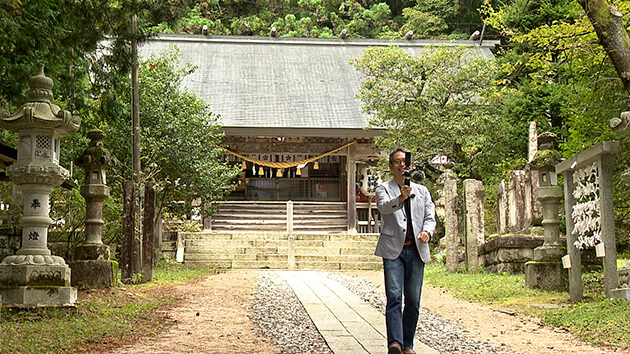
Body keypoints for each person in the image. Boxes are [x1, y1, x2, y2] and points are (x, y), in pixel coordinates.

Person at [375, 148, 436, 354]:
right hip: (394, 249)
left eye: (404, 161)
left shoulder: (422, 191)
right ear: (391, 166)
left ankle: (408, 344)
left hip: (416, 249)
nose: (402, 165)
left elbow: (430, 216)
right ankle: (395, 343)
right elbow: (383, 207)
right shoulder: (383, 188)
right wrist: (400, 198)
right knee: (393, 297)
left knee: (413, 300)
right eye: (397, 162)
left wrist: (427, 231)